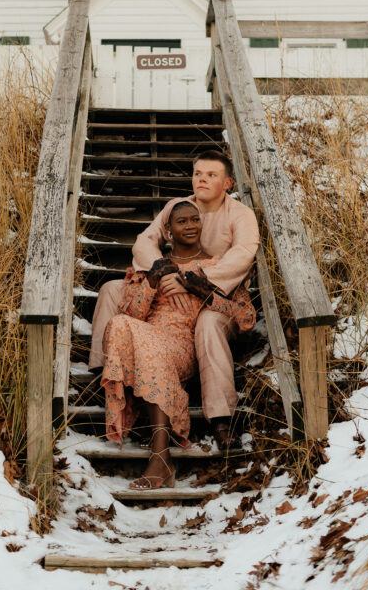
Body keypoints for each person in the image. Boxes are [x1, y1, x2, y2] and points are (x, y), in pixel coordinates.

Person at [90, 151, 260, 449]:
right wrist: (164, 270)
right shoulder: (177, 207)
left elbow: (243, 255)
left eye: (211, 175)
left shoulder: (240, 214)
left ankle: (220, 417)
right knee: (111, 290)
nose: (202, 179)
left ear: (228, 183)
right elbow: (146, 240)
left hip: (216, 294)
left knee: (208, 323)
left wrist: (198, 281)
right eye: (198, 174)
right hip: (172, 282)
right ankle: (106, 374)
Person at [102, 199, 255, 489]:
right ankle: (161, 458)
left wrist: (203, 290)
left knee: (145, 345)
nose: (190, 226)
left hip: (184, 345)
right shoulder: (155, 265)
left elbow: (245, 317)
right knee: (121, 324)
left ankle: (160, 458)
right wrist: (150, 283)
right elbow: (130, 315)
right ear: (168, 232)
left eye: (195, 220)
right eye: (182, 221)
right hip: (148, 340)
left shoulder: (216, 266)